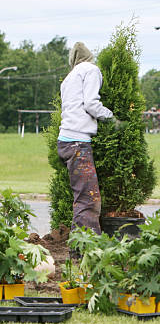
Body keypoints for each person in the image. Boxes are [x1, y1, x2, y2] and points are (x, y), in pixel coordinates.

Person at [57, 42, 116, 235]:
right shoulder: (91, 70)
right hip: (77, 143)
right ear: (89, 56)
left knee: (82, 198)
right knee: (88, 200)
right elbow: (91, 104)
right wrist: (112, 117)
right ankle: (85, 251)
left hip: (66, 141)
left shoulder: (68, 78)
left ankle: (80, 249)